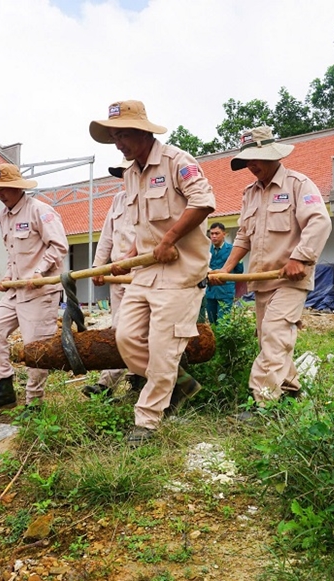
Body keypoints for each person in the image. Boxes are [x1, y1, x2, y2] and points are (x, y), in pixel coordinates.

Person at [89, 100, 216, 444]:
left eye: (122, 135)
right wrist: (128, 254)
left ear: (142, 132)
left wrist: (171, 238)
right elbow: (141, 225)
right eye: (114, 136)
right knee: (126, 337)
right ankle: (178, 384)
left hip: (180, 273)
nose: (118, 143)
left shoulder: (177, 161)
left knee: (163, 346)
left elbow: (204, 202)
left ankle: (147, 421)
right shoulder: (131, 173)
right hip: (145, 272)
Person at [209, 126, 332, 419]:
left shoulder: (298, 185)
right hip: (261, 282)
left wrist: (300, 258)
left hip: (291, 280)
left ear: (273, 155)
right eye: (247, 161)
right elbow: (243, 238)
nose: (251, 166)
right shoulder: (249, 194)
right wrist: (225, 269)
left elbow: (319, 222)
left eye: (256, 159)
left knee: (275, 335)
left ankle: (263, 403)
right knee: (270, 339)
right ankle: (289, 390)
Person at [0, 163, 68, 415]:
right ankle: (4, 391)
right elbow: (13, 254)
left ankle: (34, 403)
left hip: (40, 292)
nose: (0, 194)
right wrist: (7, 277)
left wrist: (40, 271)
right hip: (16, 291)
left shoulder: (40, 211)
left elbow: (58, 246)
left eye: (5, 188)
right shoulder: (3, 216)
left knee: (36, 348)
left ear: (17, 187)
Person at [84, 159, 144, 398]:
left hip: (141, 274)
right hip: (118, 277)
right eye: (123, 174)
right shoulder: (118, 200)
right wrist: (98, 267)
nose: (126, 178)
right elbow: (107, 237)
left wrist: (128, 262)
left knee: (127, 329)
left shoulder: (151, 198)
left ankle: (107, 383)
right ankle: (132, 378)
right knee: (121, 328)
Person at [203, 222, 243, 324]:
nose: (214, 236)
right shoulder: (206, 250)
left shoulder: (232, 250)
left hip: (226, 291)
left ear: (224, 234)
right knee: (212, 323)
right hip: (210, 292)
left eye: (217, 233)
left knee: (223, 323)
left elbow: (239, 270)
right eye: (212, 234)